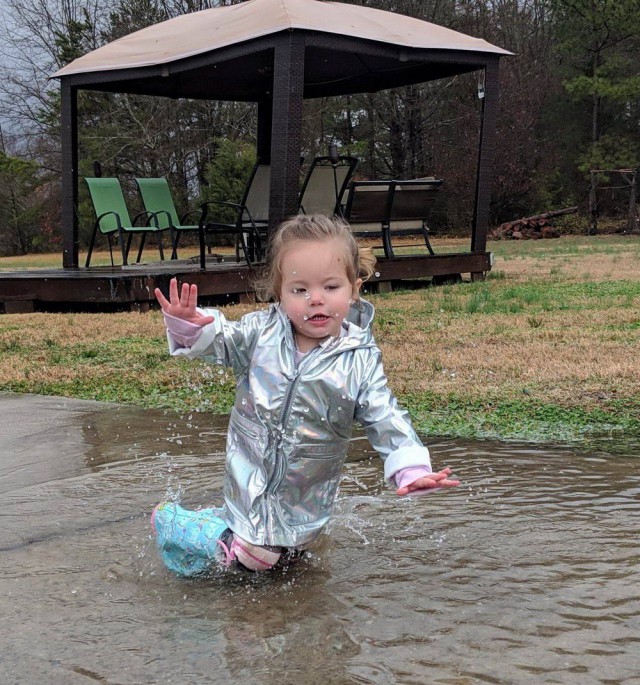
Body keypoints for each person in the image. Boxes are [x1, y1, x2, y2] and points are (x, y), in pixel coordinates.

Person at [151, 214, 458, 576]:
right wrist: (189, 325)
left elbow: (383, 413)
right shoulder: (260, 333)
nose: (316, 300)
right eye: (300, 290)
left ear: (353, 288)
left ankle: (229, 540)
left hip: (308, 490)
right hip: (251, 473)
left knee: (289, 556)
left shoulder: (358, 357)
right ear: (279, 293)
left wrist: (409, 466)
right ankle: (176, 523)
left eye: (330, 287)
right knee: (254, 556)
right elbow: (221, 339)